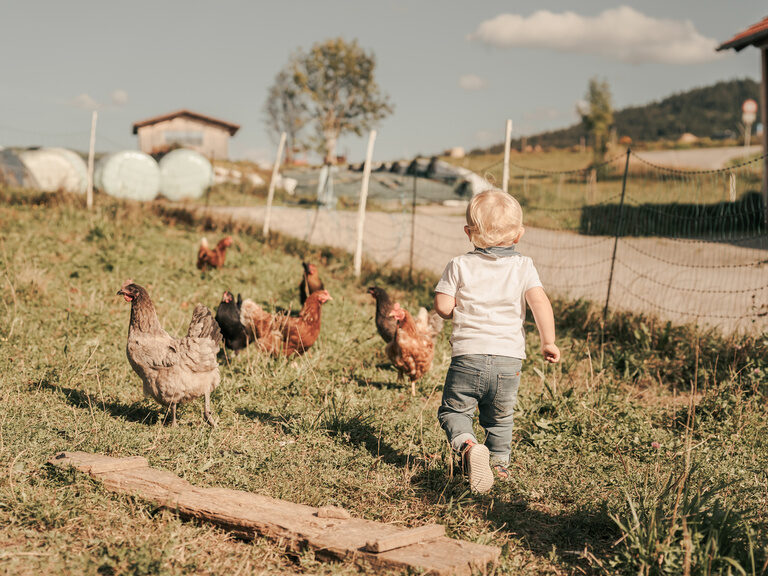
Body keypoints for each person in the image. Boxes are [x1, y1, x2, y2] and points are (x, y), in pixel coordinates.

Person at [434, 189, 560, 493]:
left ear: (469, 233)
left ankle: (467, 446)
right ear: (519, 234)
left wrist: (452, 309)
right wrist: (548, 342)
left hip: (468, 356)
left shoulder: (459, 264)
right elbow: (540, 303)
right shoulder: (524, 266)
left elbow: (443, 306)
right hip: (508, 359)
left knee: (454, 411)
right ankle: (499, 466)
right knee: (500, 419)